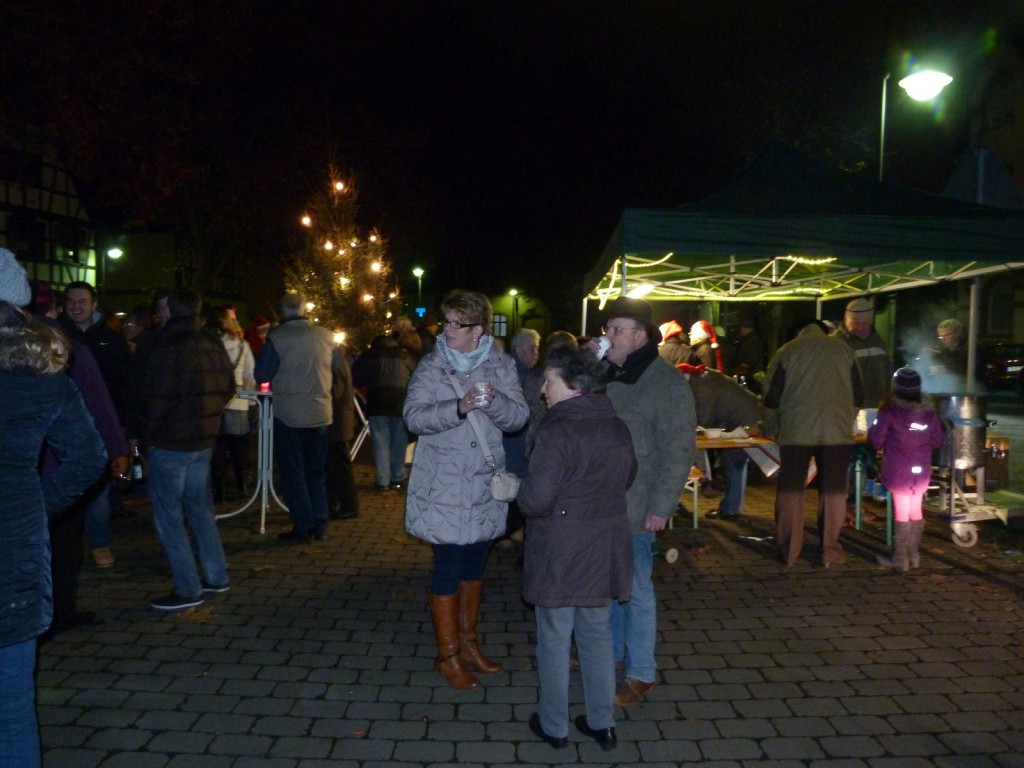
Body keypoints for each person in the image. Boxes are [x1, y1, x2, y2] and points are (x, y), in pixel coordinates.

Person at [0, 297, 107, 767]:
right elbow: (88, 457)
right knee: (13, 709)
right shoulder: (43, 377)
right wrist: (32, 508)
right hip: (14, 555)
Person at [403, 289, 528, 690]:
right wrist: (457, 409)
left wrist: (493, 404)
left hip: (484, 485)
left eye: (457, 324)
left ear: (479, 329)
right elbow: (413, 418)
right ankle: (449, 655)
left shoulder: (501, 363)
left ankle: (469, 645)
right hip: (443, 484)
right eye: (447, 322)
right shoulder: (432, 366)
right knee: (448, 564)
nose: (448, 330)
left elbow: (519, 417)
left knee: (475, 563)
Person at [518, 346, 636, 750]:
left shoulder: (557, 429)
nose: (542, 392)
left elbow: (536, 500)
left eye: (548, 382)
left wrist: (517, 491)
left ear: (571, 386)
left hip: (562, 548)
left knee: (553, 636)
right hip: (602, 545)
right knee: (597, 634)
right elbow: (628, 476)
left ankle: (554, 726)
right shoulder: (616, 426)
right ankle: (602, 723)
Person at [587, 296, 695, 707]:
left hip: (637, 502)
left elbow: (678, 448)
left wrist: (662, 506)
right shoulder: (606, 372)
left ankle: (642, 671)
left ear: (638, 335)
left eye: (615, 330)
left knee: (637, 588)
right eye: (607, 329)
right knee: (612, 583)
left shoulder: (666, 382)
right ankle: (613, 653)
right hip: (602, 499)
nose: (608, 336)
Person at [25, 280, 127, 637]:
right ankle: (59, 611)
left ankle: (36, 614)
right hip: (61, 464)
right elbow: (97, 401)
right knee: (65, 542)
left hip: (25, 465)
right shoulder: (68, 346)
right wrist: (116, 447)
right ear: (54, 307)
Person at [141, 288, 235, 610]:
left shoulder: (164, 347)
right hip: (203, 441)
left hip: (171, 443)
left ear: (169, 311)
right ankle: (216, 575)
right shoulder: (212, 343)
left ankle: (187, 587)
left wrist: (147, 434)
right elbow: (229, 387)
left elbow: (155, 399)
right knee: (200, 511)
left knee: (169, 517)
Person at [763, 320, 863, 567]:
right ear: (826, 331)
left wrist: (770, 426)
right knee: (833, 492)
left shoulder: (787, 350)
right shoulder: (843, 350)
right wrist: (845, 419)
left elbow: (771, 396)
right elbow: (859, 393)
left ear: (801, 330)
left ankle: (789, 551)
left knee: (791, 490)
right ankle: (829, 552)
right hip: (836, 433)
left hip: (796, 431)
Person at [254, 292, 341, 543]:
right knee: (316, 471)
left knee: (294, 473)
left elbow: (263, 373)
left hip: (289, 413)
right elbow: (335, 366)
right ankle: (321, 523)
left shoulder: (277, 338)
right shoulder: (326, 336)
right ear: (304, 308)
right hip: (321, 412)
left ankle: (302, 526)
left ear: (283, 311)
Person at [59, 280, 132, 569]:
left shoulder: (111, 340)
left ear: (94, 304)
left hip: (103, 423)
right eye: (71, 301)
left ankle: (99, 543)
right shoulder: (57, 335)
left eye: (82, 301)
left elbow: (126, 384)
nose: (76, 307)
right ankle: (68, 544)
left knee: (100, 489)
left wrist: (123, 425)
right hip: (66, 424)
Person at [867, 368, 945, 571]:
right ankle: (914, 556)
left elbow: (875, 441)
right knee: (916, 510)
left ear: (896, 388)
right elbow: (937, 440)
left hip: (899, 470)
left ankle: (900, 559)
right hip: (921, 471)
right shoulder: (929, 413)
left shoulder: (890, 412)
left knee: (901, 512)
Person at [686, 367, 763, 520]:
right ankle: (731, 508)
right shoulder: (705, 380)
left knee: (734, 462)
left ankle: (730, 510)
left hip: (745, 422)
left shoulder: (703, 388)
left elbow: (703, 420)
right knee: (735, 463)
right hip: (746, 418)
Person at [352, 334, 417, 491]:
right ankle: (397, 477)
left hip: (377, 401)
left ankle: (383, 481)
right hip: (400, 402)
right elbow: (417, 375)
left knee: (380, 442)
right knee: (399, 442)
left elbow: (355, 377)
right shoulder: (404, 355)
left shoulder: (369, 355)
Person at [497, 328, 540, 550]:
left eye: (537, 348)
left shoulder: (524, 372)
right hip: (514, 439)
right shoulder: (516, 373)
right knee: (511, 485)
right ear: (520, 349)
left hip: (517, 439)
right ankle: (507, 531)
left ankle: (510, 530)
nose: (536, 353)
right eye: (532, 348)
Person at [206, 306, 256, 503]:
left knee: (217, 448)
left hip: (215, 400)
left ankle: (218, 488)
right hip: (238, 399)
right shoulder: (242, 345)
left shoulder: (210, 344)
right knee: (238, 447)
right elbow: (250, 375)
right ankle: (241, 483)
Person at [832, 297, 892, 408]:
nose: (860, 328)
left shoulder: (878, 340)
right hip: (850, 408)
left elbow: (888, 371)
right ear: (846, 319)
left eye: (865, 323)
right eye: (855, 323)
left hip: (878, 406)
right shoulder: (837, 343)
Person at [327, 347, 359, 520]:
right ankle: (339, 503)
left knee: (340, 466)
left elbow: (335, 393)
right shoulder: (340, 362)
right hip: (340, 421)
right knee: (337, 465)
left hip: (337, 422)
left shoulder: (335, 366)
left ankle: (347, 505)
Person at [923, 318, 968, 391]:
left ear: (958, 333)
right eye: (940, 336)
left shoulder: (970, 348)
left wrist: (946, 370)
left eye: (947, 335)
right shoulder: (944, 349)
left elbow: (965, 370)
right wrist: (933, 357)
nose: (943, 339)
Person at [732, 317, 767, 394]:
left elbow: (752, 359)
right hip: (751, 374)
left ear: (745, 328)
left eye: (741, 328)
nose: (740, 330)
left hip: (751, 375)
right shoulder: (750, 340)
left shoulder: (752, 341)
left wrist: (741, 369)